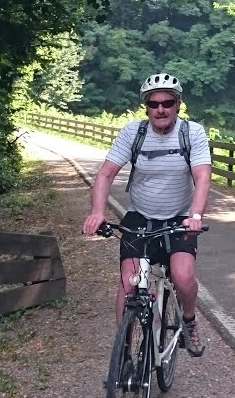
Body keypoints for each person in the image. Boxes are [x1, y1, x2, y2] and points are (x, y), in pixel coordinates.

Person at [82, 72, 212, 356]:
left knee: (183, 277)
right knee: (129, 285)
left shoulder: (192, 133)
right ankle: (124, 353)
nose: (161, 109)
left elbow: (202, 176)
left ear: (178, 104)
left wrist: (196, 214)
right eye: (154, 104)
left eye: (167, 102)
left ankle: (188, 321)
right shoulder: (133, 132)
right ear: (146, 107)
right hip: (140, 217)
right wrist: (97, 211)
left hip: (179, 218)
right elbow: (105, 174)